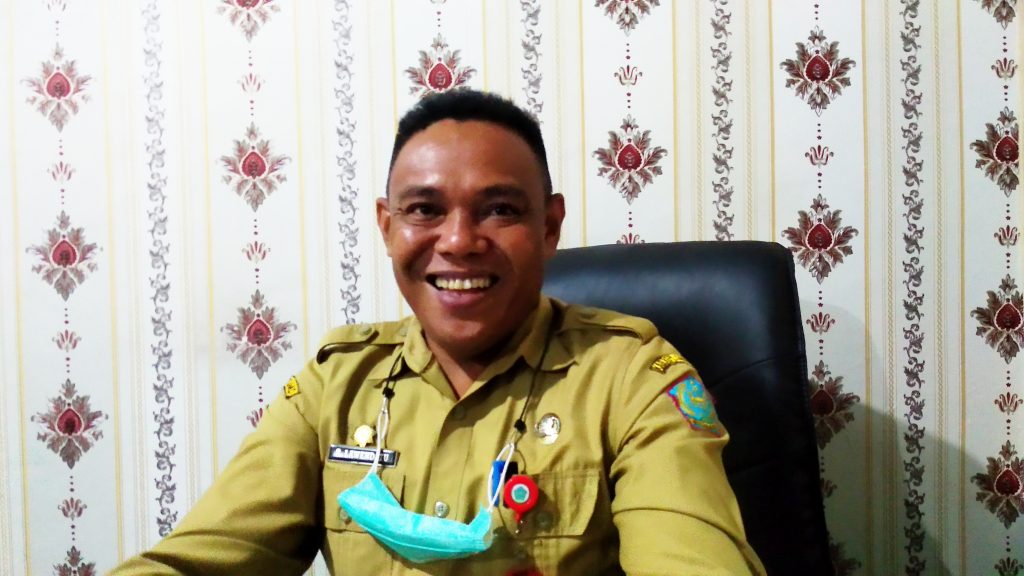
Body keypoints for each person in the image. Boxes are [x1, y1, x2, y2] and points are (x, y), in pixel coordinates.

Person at [110, 89, 765, 575]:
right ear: (387, 225)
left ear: (549, 226)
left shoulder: (631, 380)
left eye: (499, 209)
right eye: (424, 210)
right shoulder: (335, 386)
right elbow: (200, 558)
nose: (457, 241)